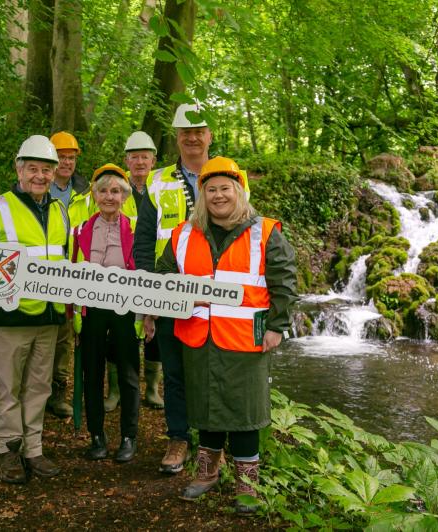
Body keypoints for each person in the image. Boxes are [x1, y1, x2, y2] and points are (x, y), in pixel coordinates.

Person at [151, 157, 296, 513]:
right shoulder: (183, 233)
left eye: (225, 189)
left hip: (247, 338)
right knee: (204, 406)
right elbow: (164, 277)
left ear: (239, 192)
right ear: (202, 196)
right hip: (198, 337)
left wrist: (277, 326)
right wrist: (183, 294)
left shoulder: (265, 231)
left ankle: (248, 485)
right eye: (211, 189)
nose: (218, 196)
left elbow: (285, 281)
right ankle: (206, 473)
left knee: (245, 411)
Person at [0, 135, 67, 483]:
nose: (40, 176)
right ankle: (8, 448)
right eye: (33, 169)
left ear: (54, 173)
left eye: (46, 170)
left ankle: (34, 449)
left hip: (50, 315)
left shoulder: (60, 210)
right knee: (8, 385)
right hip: (8, 316)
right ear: (19, 169)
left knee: (39, 386)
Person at [133, 102, 215, 474]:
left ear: (209, 135)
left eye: (199, 131)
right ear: (177, 137)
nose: (193, 138)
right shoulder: (156, 180)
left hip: (215, 292)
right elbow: (144, 239)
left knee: (215, 368)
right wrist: (148, 299)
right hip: (168, 290)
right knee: (176, 370)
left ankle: (213, 444)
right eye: (186, 133)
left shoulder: (230, 175)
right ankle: (178, 438)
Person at [71, 164, 140, 462]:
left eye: (115, 191)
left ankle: (128, 437)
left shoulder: (136, 229)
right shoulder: (80, 230)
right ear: (95, 195)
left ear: (124, 196)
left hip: (125, 310)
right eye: (103, 191)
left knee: (127, 374)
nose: (109, 196)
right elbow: (70, 275)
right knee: (92, 374)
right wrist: (71, 317)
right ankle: (97, 436)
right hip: (91, 310)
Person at [46, 131, 88, 419]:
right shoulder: (36, 186)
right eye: (61, 157)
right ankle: (35, 389)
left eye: (71, 158)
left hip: (72, 273)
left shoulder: (85, 191)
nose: (66, 162)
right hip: (41, 270)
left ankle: (58, 390)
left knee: (63, 336)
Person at [123, 131, 164, 410]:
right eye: (134, 157)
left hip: (154, 267)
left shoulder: (162, 187)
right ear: (127, 160)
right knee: (124, 329)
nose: (139, 162)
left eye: (144, 157)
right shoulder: (117, 187)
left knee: (156, 331)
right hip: (123, 270)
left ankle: (152, 388)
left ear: (153, 160)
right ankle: (120, 388)